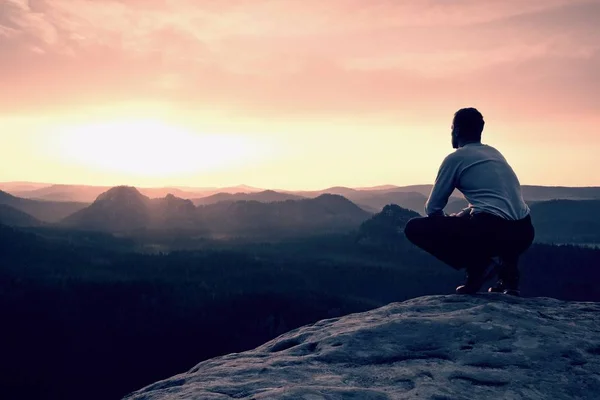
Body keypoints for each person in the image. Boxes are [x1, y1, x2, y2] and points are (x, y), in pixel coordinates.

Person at [404, 108, 535, 295]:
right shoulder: (494, 153)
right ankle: (509, 278)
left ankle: (478, 267)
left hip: (491, 230)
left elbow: (433, 208)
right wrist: (465, 216)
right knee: (497, 223)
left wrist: (452, 228)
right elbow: (498, 203)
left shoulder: (455, 158)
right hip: (524, 232)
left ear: (456, 131)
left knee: (414, 228)